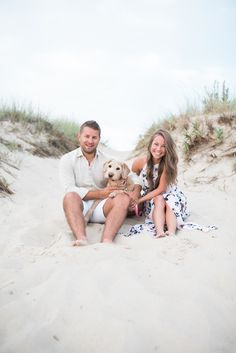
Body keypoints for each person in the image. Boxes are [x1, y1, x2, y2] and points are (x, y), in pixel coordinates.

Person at [59, 120, 141, 245]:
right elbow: (69, 188)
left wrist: (136, 191)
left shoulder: (107, 159)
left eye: (94, 137)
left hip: (102, 207)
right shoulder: (67, 159)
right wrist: (99, 193)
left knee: (123, 198)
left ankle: (106, 241)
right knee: (69, 196)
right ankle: (81, 238)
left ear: (99, 139)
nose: (90, 141)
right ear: (79, 136)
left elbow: (133, 176)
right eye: (86, 136)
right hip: (79, 206)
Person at [131, 128, 189, 237]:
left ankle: (171, 231)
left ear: (168, 149)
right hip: (152, 197)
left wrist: (140, 200)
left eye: (164, 146)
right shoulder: (140, 162)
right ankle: (160, 231)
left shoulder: (167, 165)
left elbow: (161, 190)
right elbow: (134, 176)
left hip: (170, 195)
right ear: (150, 145)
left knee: (168, 200)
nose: (158, 149)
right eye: (156, 144)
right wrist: (137, 191)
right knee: (158, 199)